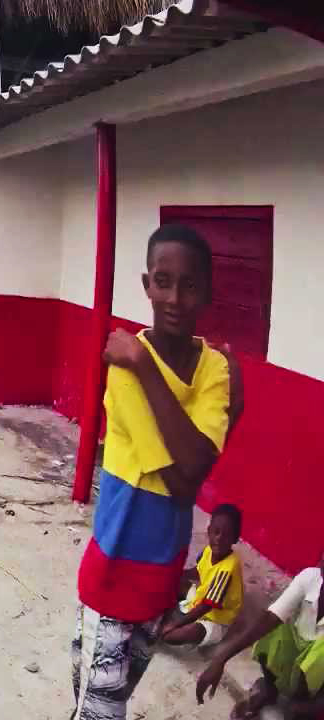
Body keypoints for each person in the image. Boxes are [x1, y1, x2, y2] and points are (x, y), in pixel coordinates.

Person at [70, 224, 243, 720]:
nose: (173, 297)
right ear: (146, 284)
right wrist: (145, 368)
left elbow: (190, 469)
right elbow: (186, 480)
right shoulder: (122, 365)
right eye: (162, 281)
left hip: (162, 580)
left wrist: (149, 370)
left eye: (189, 284)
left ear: (207, 291)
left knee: (111, 703)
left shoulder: (212, 368)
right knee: (99, 713)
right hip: (111, 573)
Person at [197, 549, 324, 719]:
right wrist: (220, 660)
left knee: (320, 653)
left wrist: (315, 706)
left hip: (317, 674)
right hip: (298, 648)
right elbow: (270, 618)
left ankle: (300, 704)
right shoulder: (310, 578)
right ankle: (270, 689)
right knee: (271, 626)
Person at [160, 503, 244, 649]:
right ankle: (167, 612)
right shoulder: (209, 551)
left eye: (226, 535)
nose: (219, 538)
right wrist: (175, 573)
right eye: (216, 532)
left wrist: (176, 624)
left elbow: (207, 606)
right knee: (170, 580)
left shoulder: (228, 569)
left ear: (235, 539)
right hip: (200, 598)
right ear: (209, 531)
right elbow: (198, 572)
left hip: (216, 619)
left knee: (176, 635)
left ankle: (170, 625)